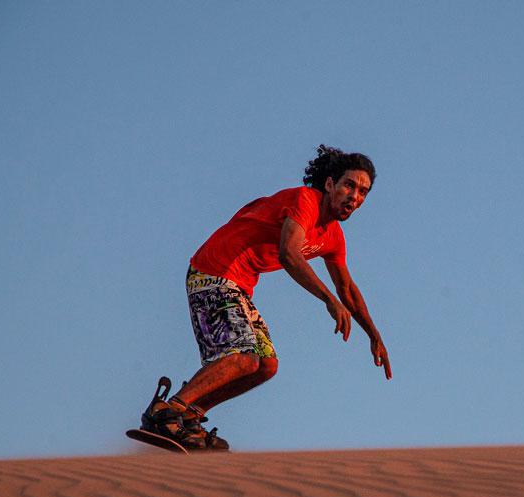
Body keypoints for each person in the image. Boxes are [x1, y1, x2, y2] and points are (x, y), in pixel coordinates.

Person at [137, 145, 391, 451]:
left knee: (266, 365)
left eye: (363, 191)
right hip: (213, 272)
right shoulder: (306, 201)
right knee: (243, 356)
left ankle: (190, 415)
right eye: (349, 185)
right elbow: (289, 254)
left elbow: (347, 288)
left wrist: (373, 335)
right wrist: (327, 300)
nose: (355, 196)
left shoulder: (333, 236)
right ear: (329, 184)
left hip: (239, 286)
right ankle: (166, 411)